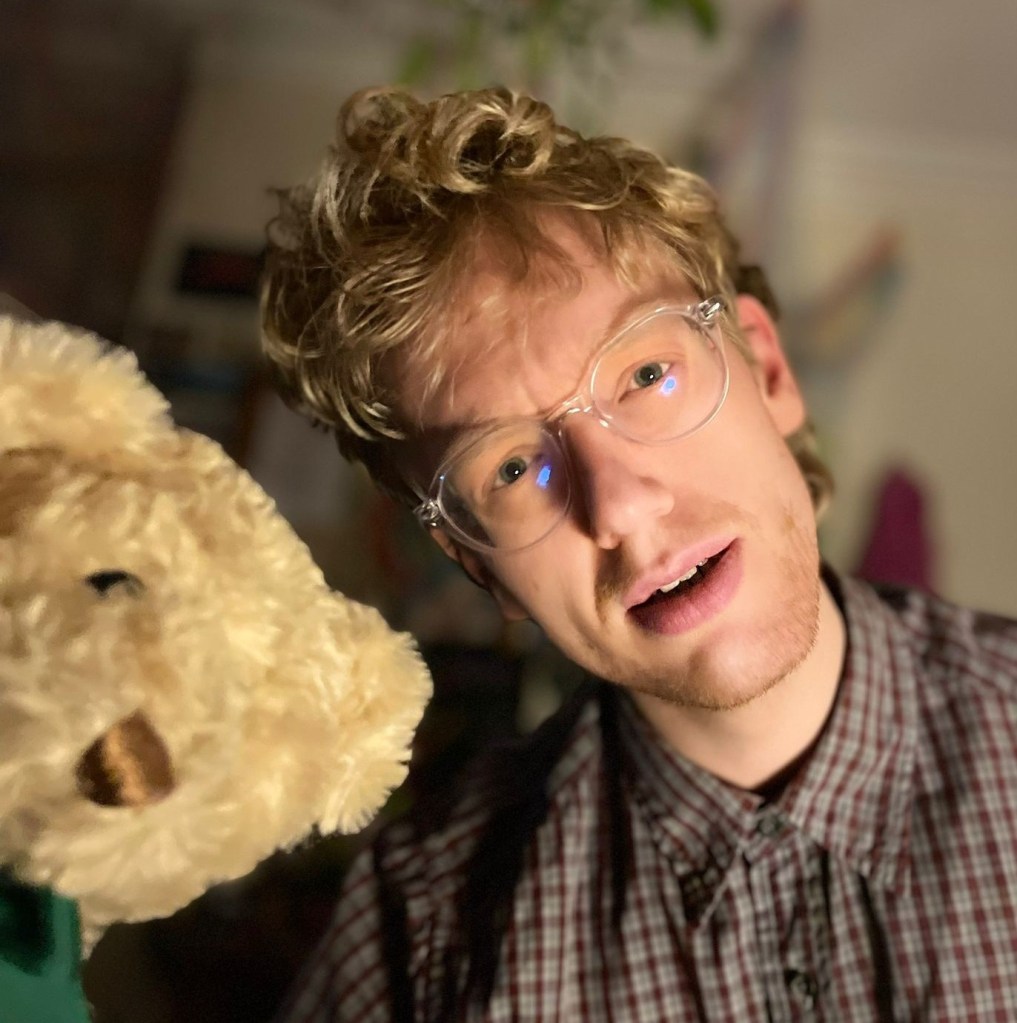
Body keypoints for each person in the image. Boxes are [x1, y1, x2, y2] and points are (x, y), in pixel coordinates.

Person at [260, 86, 1017, 1022]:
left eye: (647, 374)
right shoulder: (419, 933)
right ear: (476, 563)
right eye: (510, 469)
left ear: (768, 370)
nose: (619, 505)